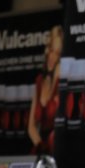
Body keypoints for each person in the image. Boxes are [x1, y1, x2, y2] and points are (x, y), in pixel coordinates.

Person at [26, 25, 62, 156]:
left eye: (58, 53)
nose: (52, 56)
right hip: (41, 148)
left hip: (59, 148)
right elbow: (31, 127)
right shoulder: (39, 81)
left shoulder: (63, 82)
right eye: (51, 50)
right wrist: (41, 147)